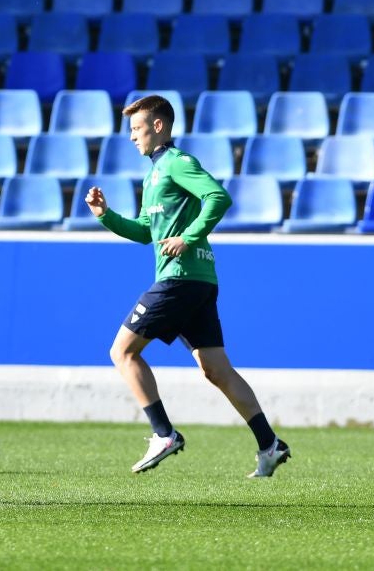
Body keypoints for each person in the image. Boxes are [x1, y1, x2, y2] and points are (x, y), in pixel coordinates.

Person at [84, 94, 291, 479]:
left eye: (136, 128)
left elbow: (218, 196)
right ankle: (270, 444)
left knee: (122, 352)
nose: (131, 137)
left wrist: (189, 237)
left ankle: (163, 433)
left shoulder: (178, 163)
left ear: (157, 126)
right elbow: (146, 231)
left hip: (180, 278)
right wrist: (105, 216)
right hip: (199, 280)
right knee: (216, 369)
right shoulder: (154, 173)